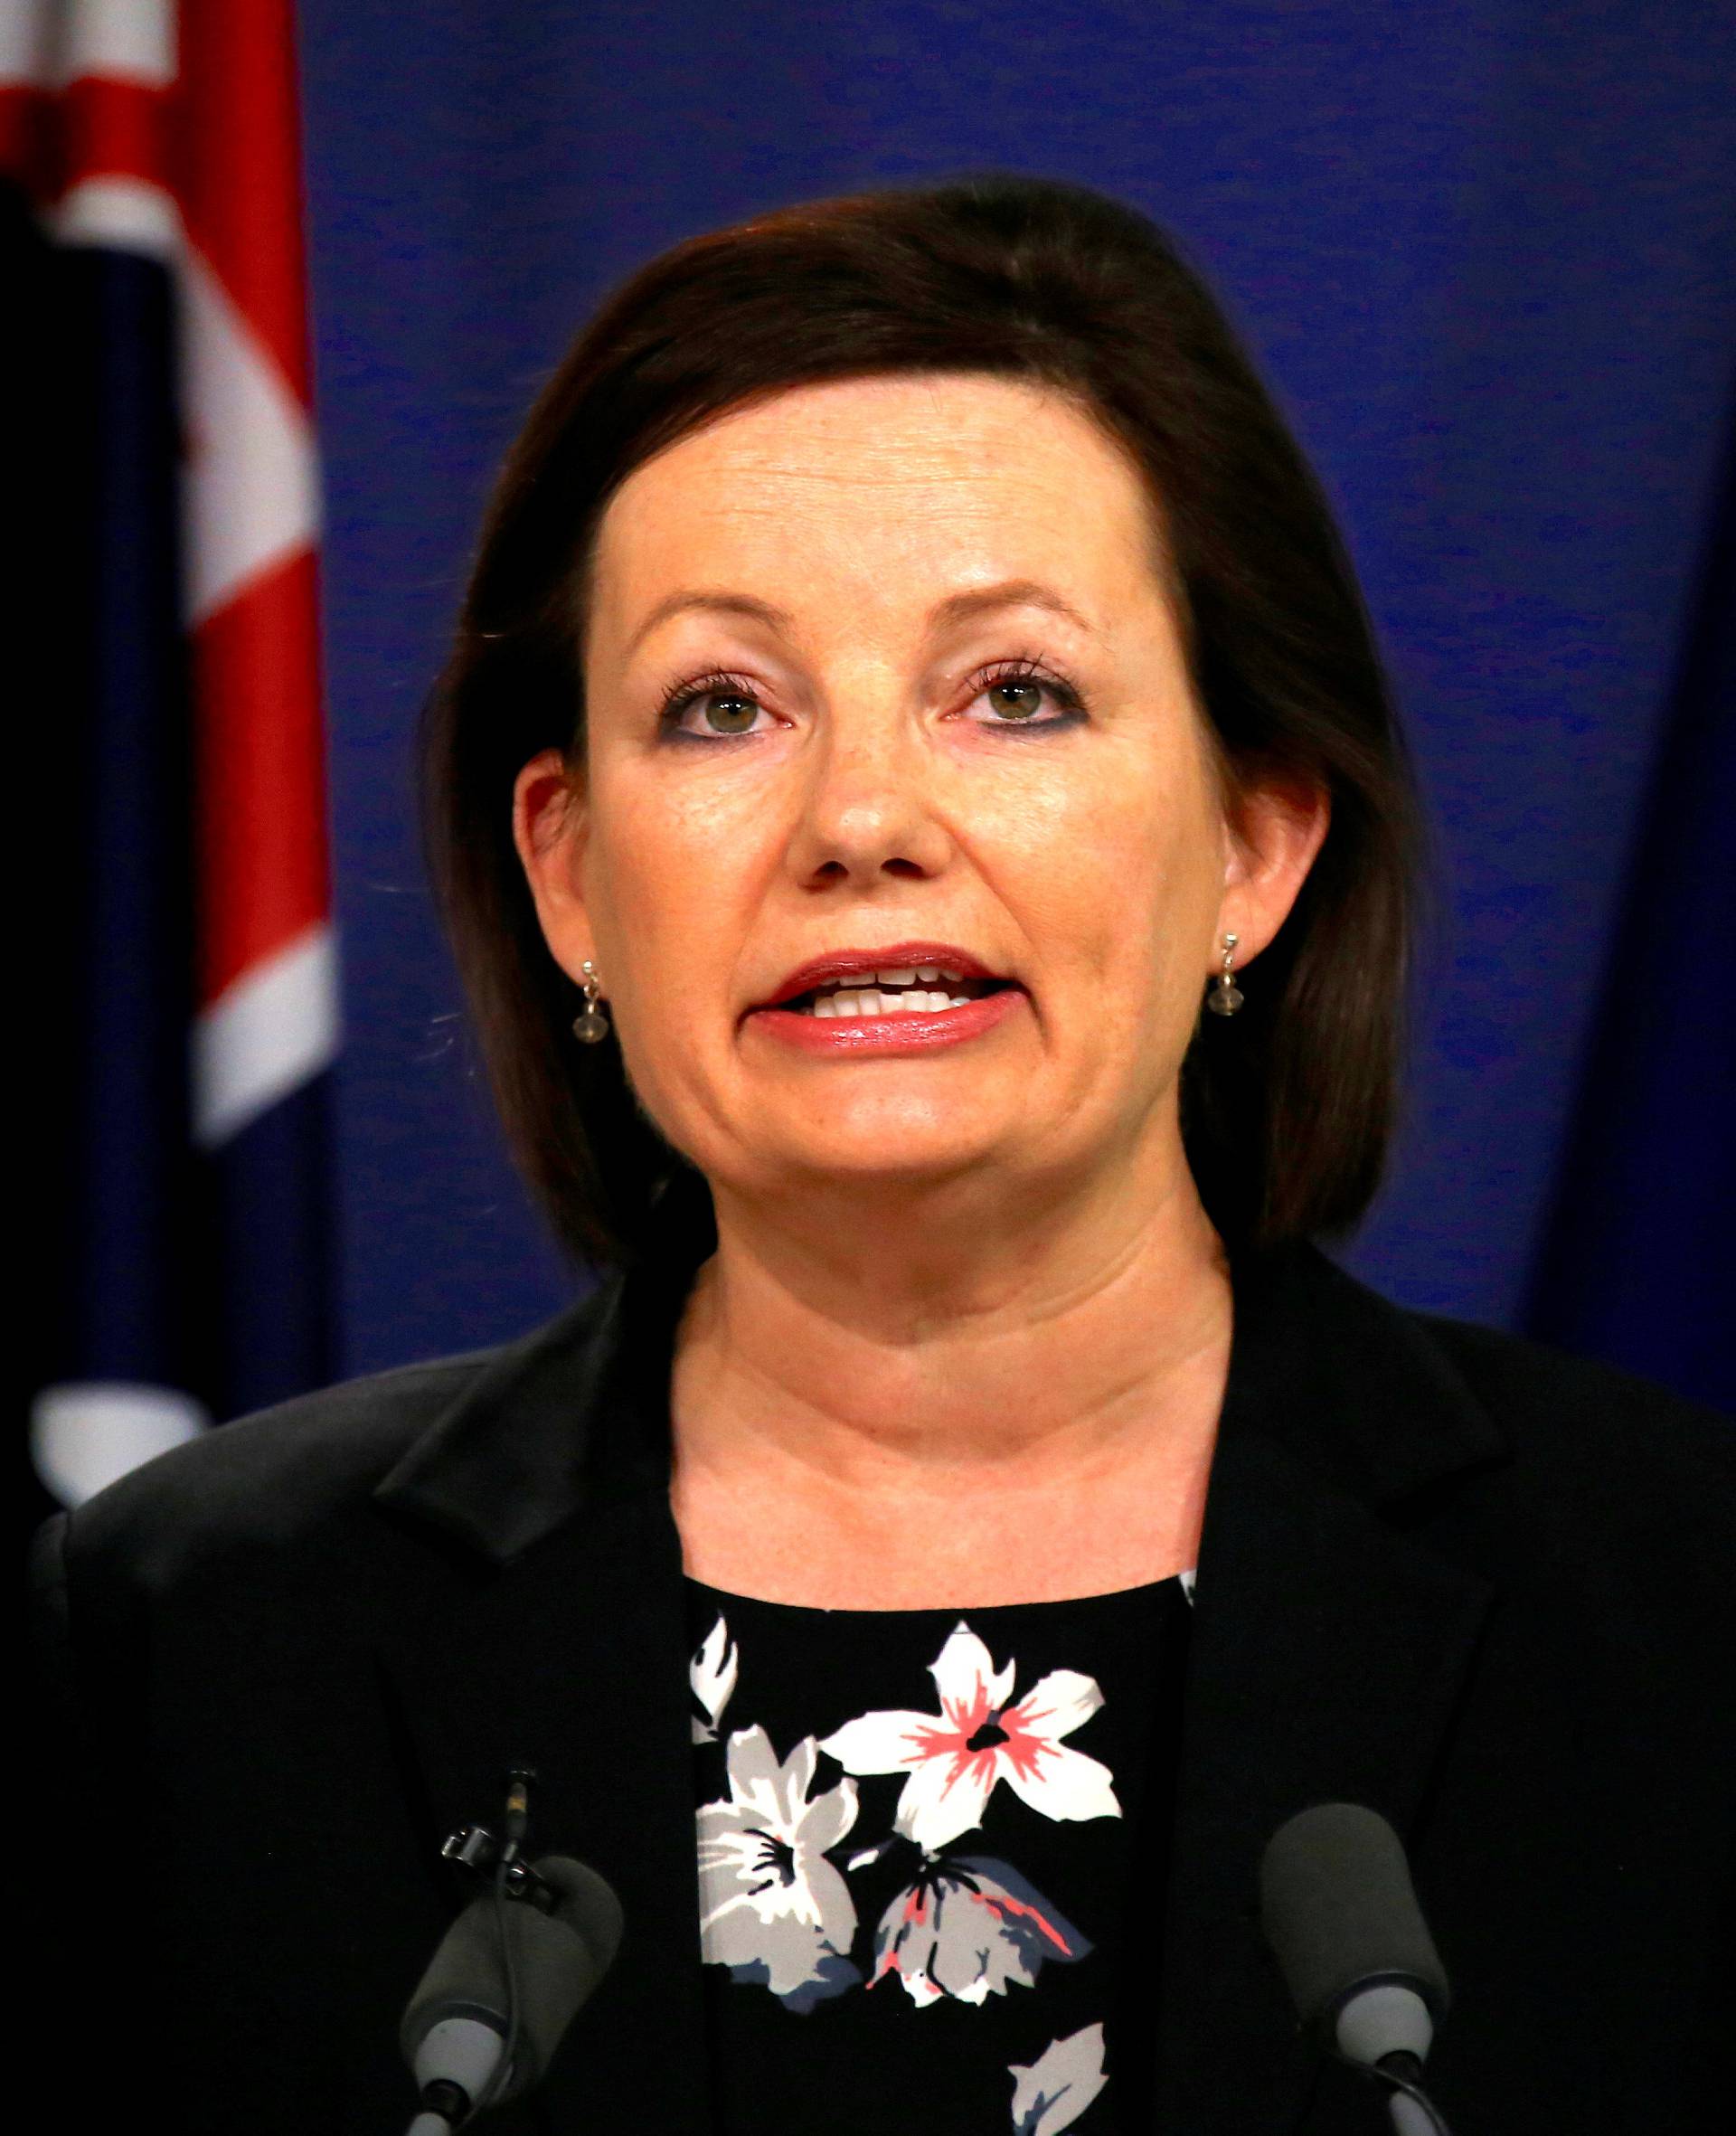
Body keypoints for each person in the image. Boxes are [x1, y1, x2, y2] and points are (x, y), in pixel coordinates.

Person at [33, 174, 1732, 2135]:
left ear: (1255, 845)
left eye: (1015, 693)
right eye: (722, 706)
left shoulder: (1682, 1610)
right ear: (571, 871)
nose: (859, 817)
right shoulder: (191, 1637)